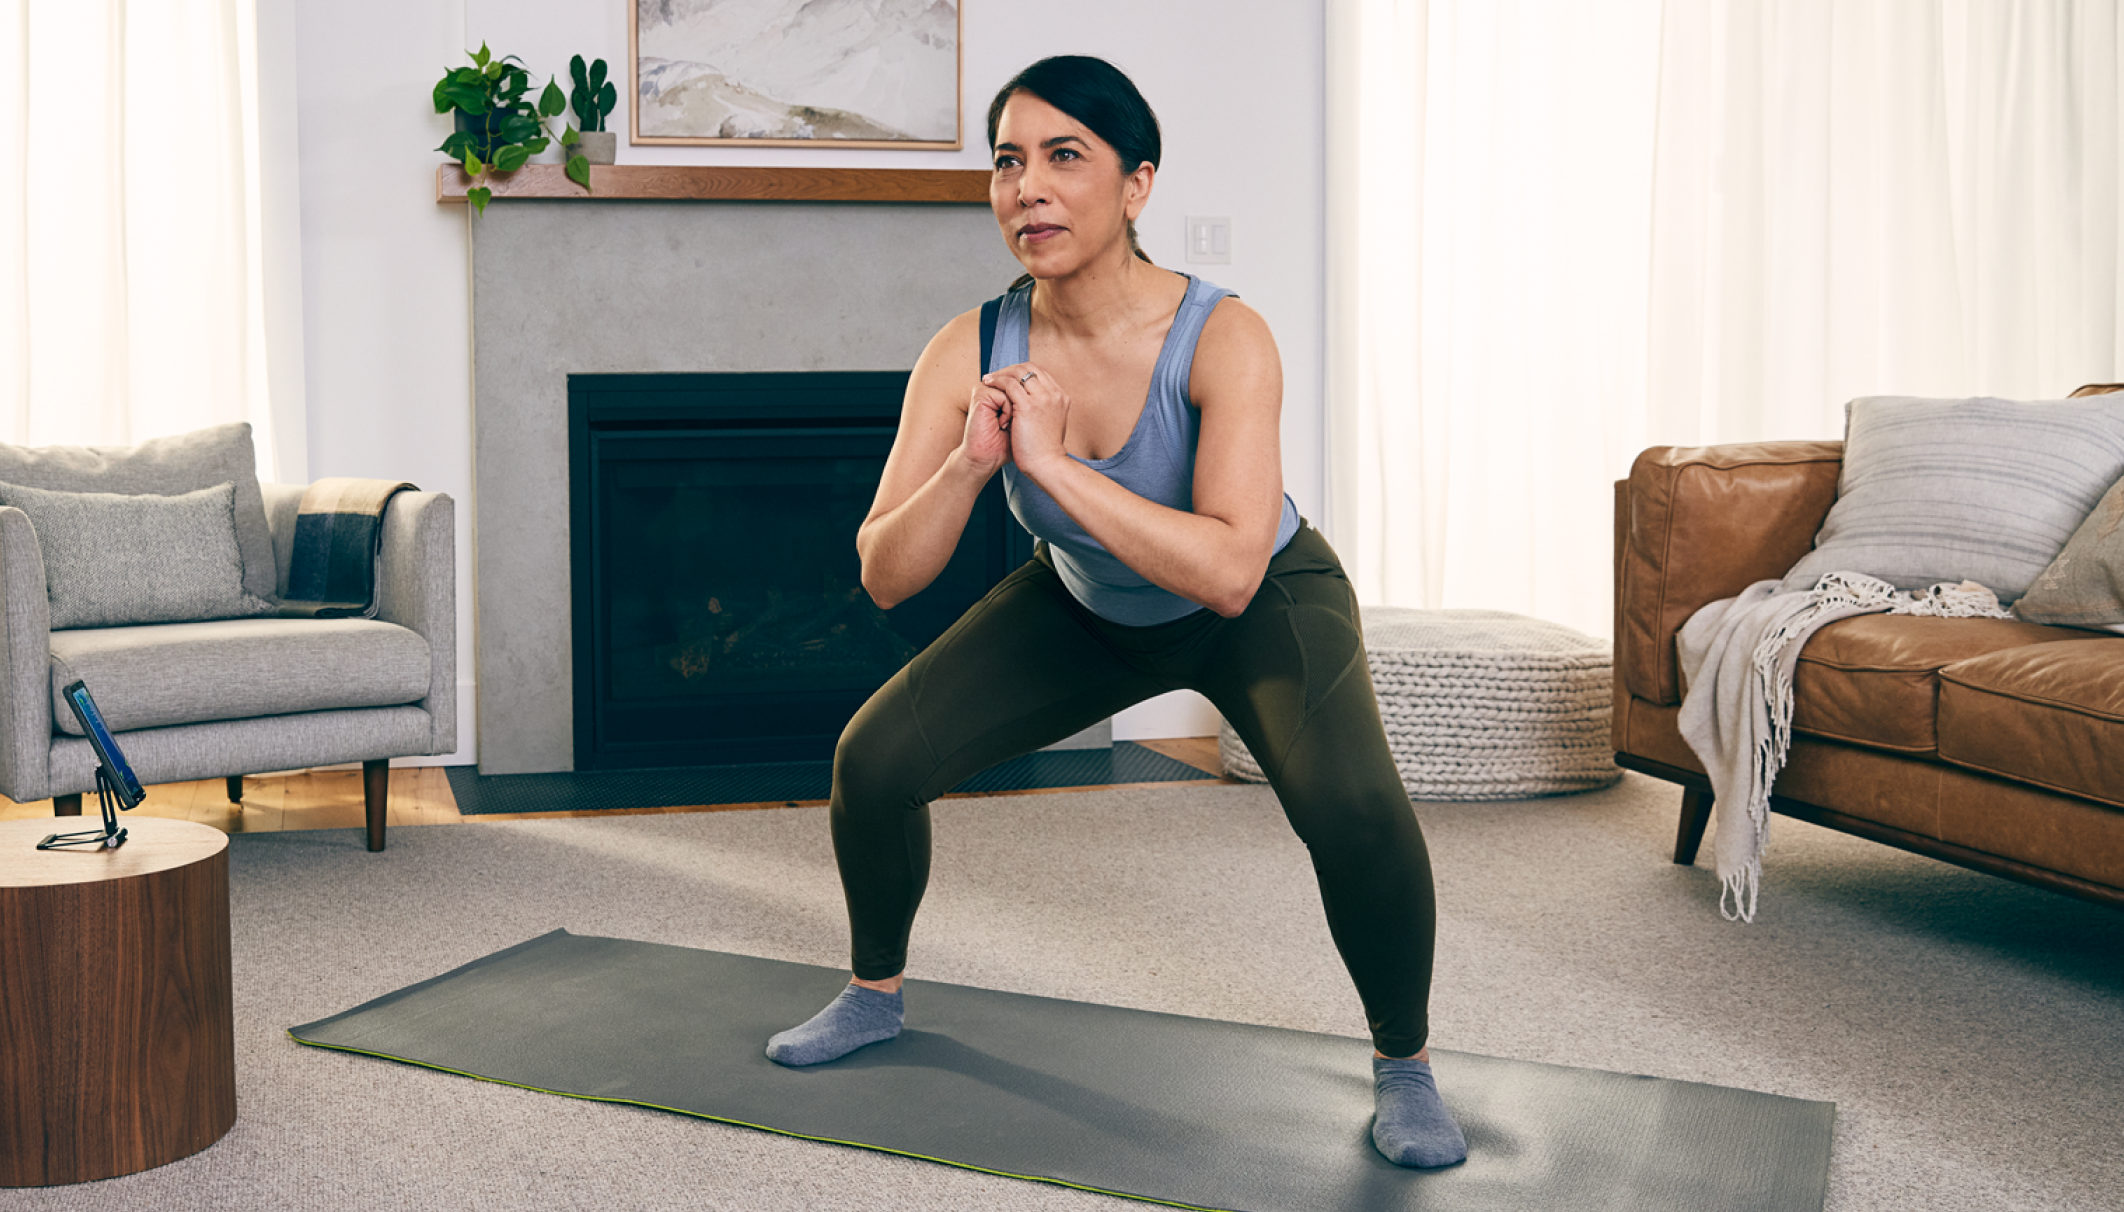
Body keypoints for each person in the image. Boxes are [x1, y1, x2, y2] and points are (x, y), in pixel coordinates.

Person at [764, 54, 1467, 1170]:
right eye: (1006, 162)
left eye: (1064, 157)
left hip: (1263, 598)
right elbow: (885, 573)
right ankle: (873, 992)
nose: (1027, 188)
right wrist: (967, 467)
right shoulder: (969, 347)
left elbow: (1231, 569)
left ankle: (1407, 1064)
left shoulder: (1224, 335)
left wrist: (1051, 466)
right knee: (875, 758)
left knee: (1351, 805)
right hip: (1086, 598)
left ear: (1137, 185)